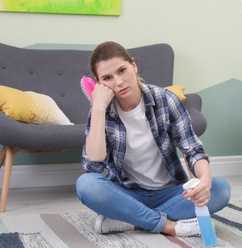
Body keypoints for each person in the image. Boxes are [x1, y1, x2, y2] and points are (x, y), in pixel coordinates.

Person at [76, 41, 231, 237]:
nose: (118, 82)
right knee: (86, 185)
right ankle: (170, 226)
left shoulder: (166, 100)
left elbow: (192, 150)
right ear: (100, 84)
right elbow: (94, 166)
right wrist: (98, 108)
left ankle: (133, 221)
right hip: (127, 194)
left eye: (122, 70)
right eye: (107, 78)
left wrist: (205, 182)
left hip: (172, 193)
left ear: (134, 65)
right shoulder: (100, 110)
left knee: (221, 189)